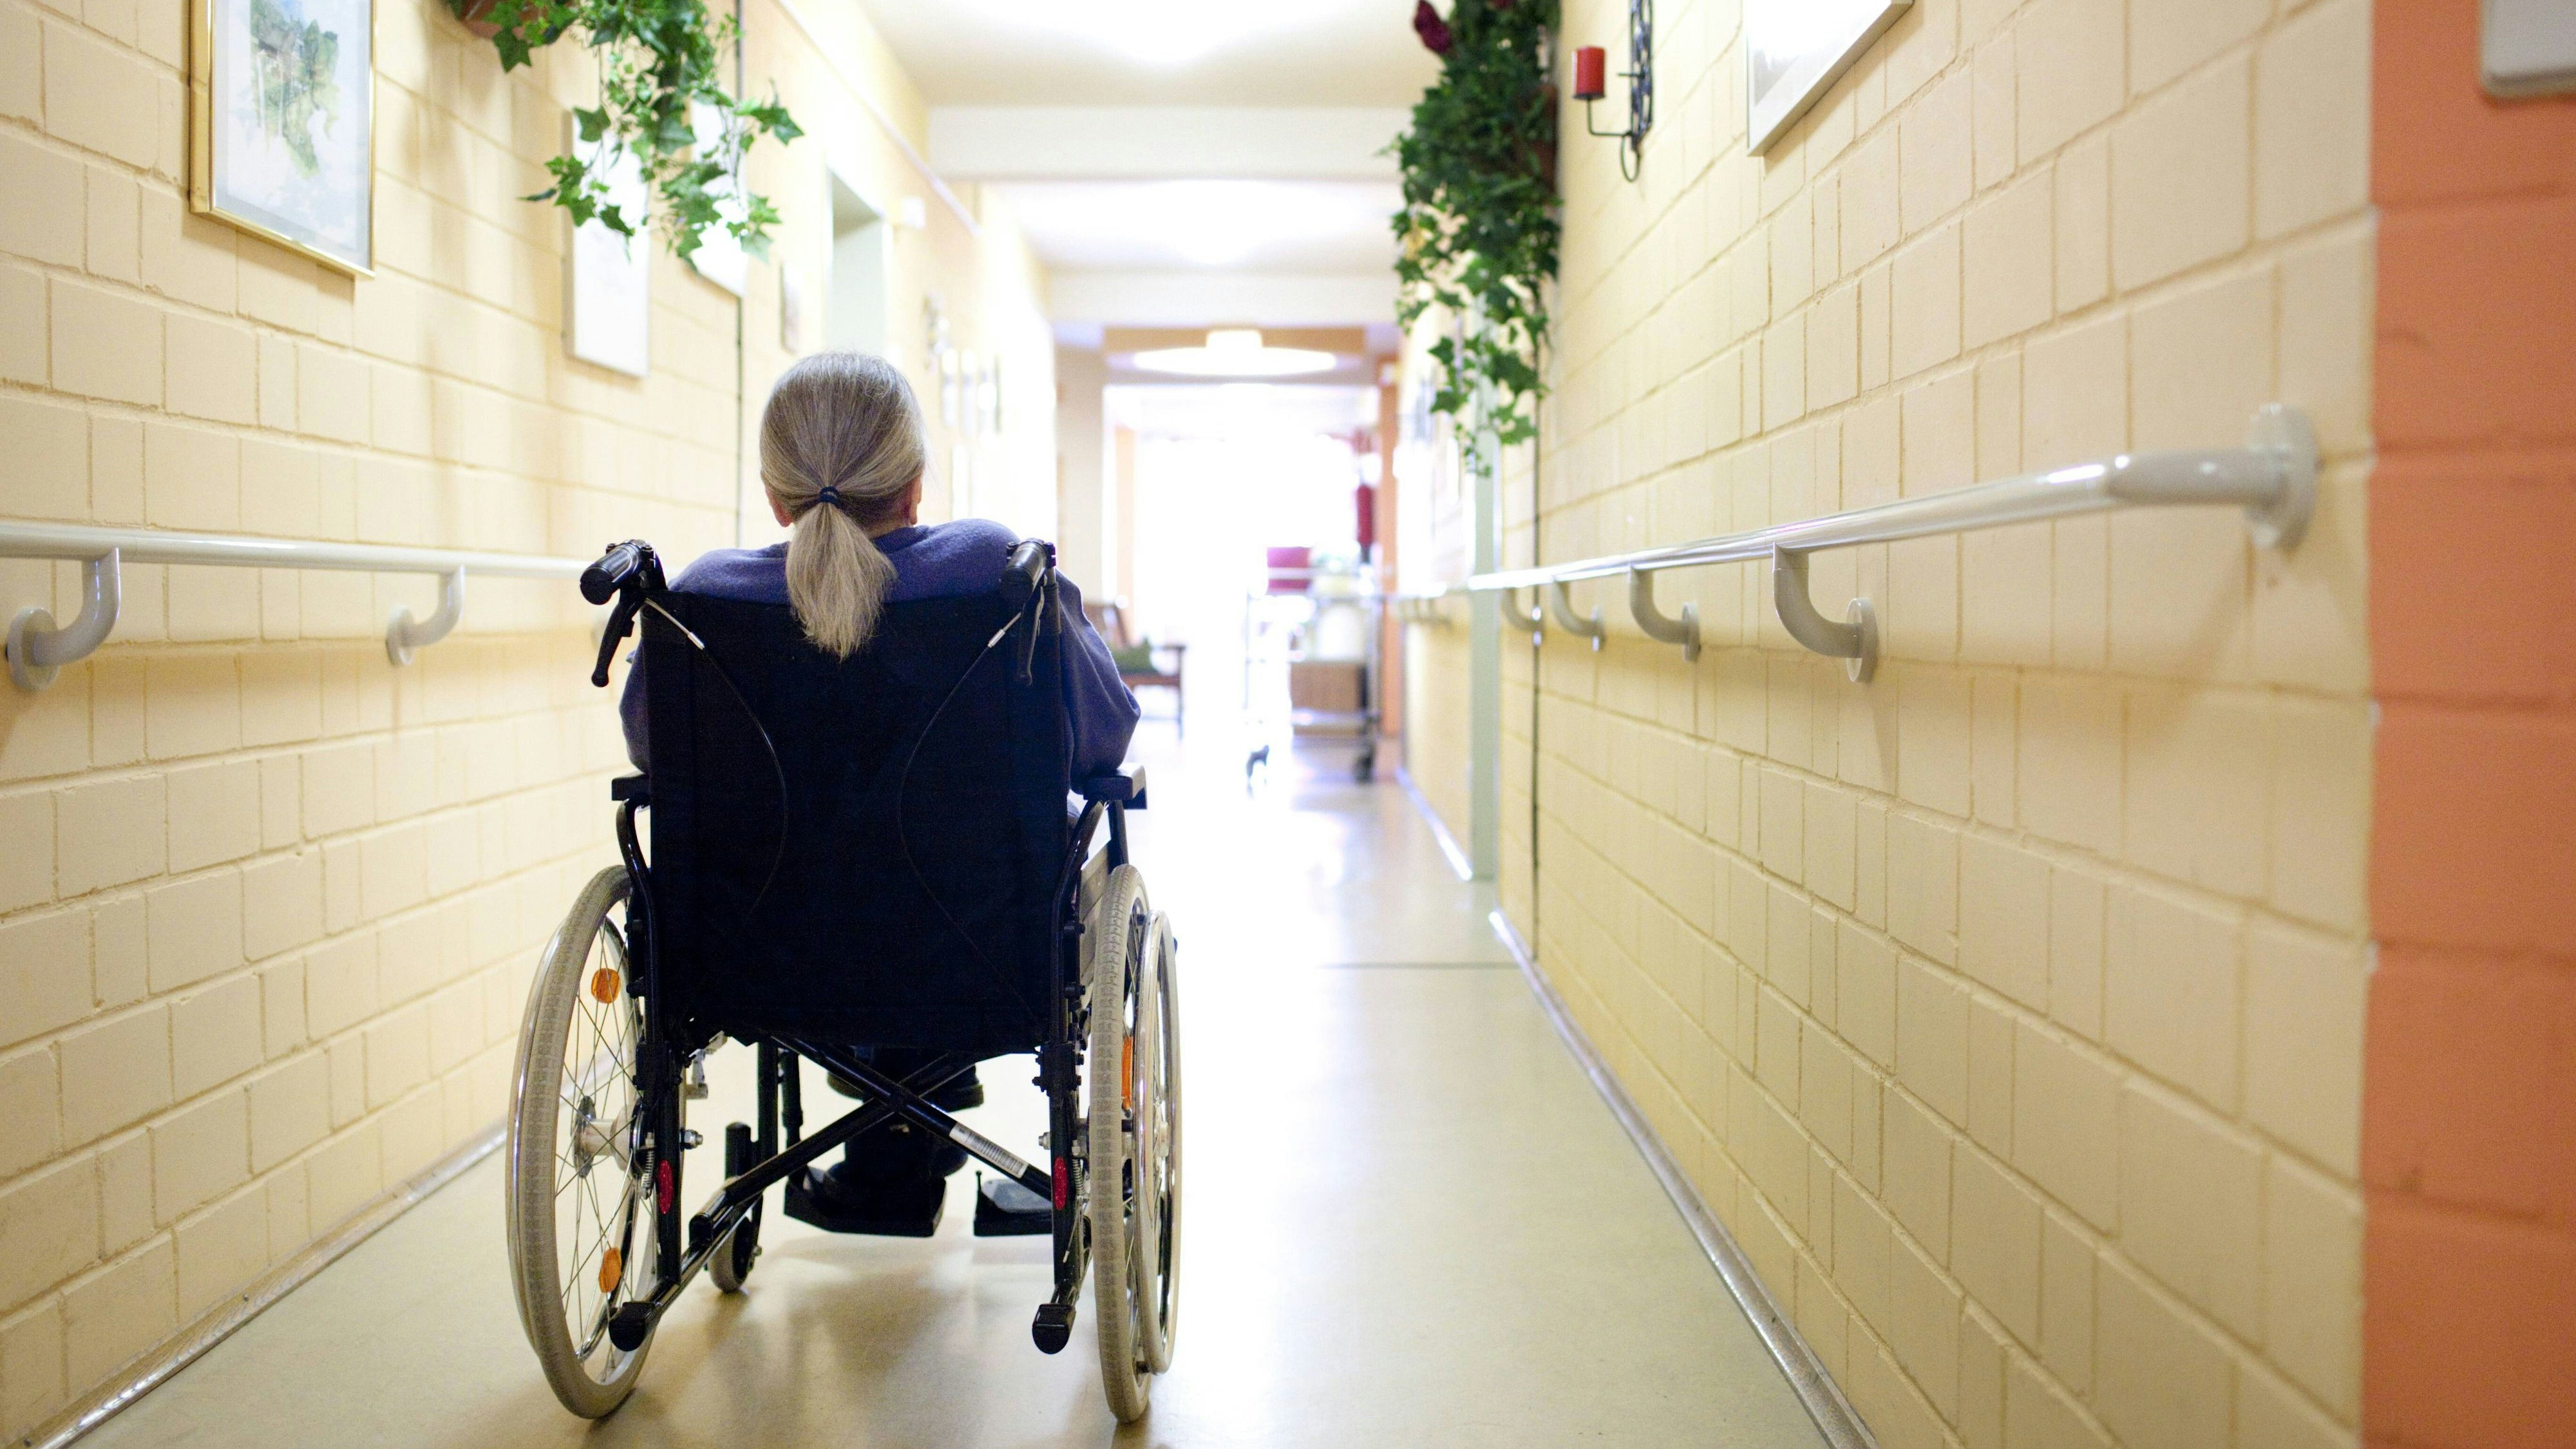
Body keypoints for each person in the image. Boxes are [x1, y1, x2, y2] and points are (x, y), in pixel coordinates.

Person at [620, 351, 1139, 1236]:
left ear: (777, 495)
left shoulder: (704, 597)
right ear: (913, 486)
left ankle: (893, 1151)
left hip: (759, 951)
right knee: (946, 846)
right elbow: (1103, 733)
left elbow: (657, 753)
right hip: (977, 943)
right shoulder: (995, 573)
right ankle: (920, 1111)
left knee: (839, 857)